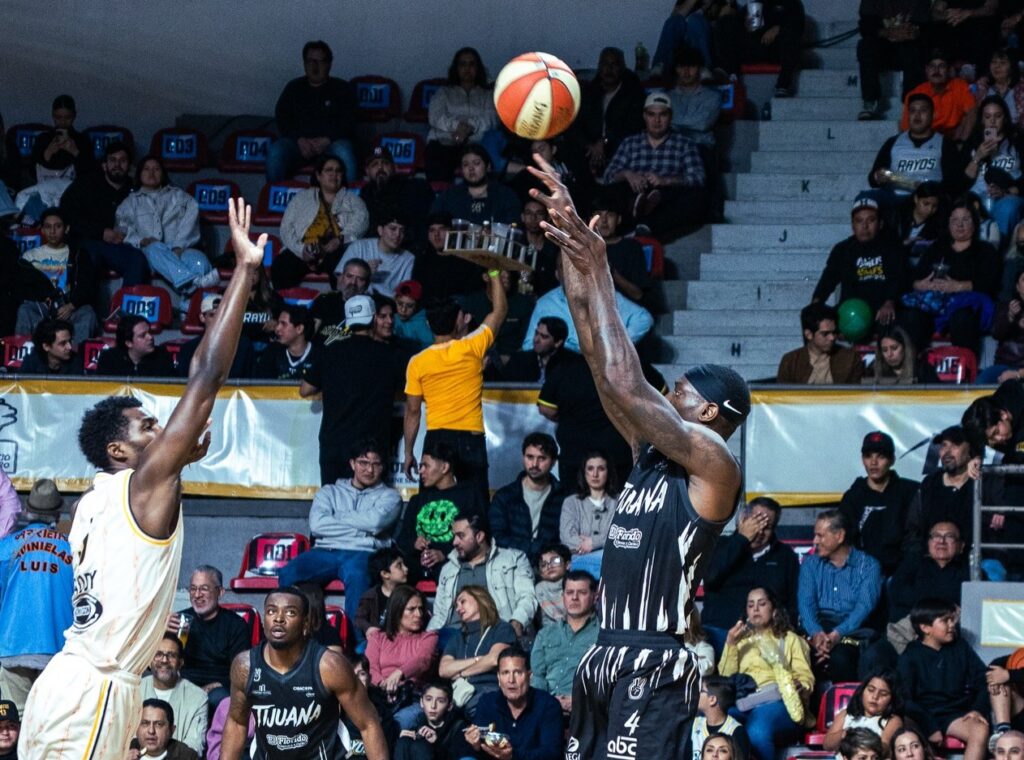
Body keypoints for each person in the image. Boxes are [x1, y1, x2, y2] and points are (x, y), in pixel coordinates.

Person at [18, 199, 265, 760]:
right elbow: (205, 374)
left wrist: (176, 464)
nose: (160, 429)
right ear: (117, 449)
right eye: (146, 424)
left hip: (69, 678)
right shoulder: (137, 486)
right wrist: (245, 270)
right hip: (97, 686)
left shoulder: (90, 502)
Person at [529, 155, 750, 759]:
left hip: (655, 660)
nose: (668, 390)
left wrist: (601, 268)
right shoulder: (649, 449)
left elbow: (628, 383)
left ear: (710, 413)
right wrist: (572, 248)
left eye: (681, 390)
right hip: (605, 651)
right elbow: (601, 360)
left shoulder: (714, 465)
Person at [220, 588, 388, 760]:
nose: (278, 618)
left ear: (306, 623)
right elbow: (237, 723)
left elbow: (369, 724)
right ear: (264, 619)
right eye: (271, 611)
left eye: (290, 612)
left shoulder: (330, 666)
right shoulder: (245, 666)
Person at [278, 438, 402, 638]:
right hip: (325, 551)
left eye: (376, 464)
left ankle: (359, 651)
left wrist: (336, 519)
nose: (369, 470)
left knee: (358, 577)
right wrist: (362, 529)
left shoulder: (390, 497)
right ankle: (291, 636)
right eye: (363, 463)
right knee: (288, 573)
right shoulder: (329, 492)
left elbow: (376, 523)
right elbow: (317, 525)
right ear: (352, 463)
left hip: (364, 552)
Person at [403, 273, 508, 499]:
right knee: (475, 505)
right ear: (457, 322)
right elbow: (499, 311)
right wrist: (494, 273)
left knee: (432, 504)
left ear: (428, 323)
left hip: (437, 438)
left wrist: (408, 451)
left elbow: (413, 412)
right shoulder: (471, 347)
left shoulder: (418, 362)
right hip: (470, 437)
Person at [301, 294, 405, 484]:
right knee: (368, 509)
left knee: (334, 503)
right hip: (371, 450)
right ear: (374, 319)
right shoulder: (390, 356)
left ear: (348, 322)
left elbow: (305, 390)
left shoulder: (329, 352)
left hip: (334, 443)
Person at [0, 479, 73, 713]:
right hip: (58, 651)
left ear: (27, 510)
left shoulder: (6, 546)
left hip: (12, 646)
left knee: (15, 723)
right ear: (58, 515)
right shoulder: (73, 549)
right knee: (50, 721)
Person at [718, 587, 814, 760]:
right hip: (744, 701)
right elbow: (725, 680)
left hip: (779, 701)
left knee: (757, 730)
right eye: (750, 605)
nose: (755, 609)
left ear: (774, 609)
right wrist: (730, 643)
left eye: (761, 604)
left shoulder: (791, 639)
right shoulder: (740, 642)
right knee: (721, 724)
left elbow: (806, 678)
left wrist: (800, 685)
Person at [901, 197, 1002, 355]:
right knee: (912, 316)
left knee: (962, 318)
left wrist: (959, 286)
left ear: (974, 223)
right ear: (948, 224)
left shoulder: (985, 250)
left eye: (965, 219)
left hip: (966, 307)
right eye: (954, 220)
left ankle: (964, 370)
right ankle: (913, 366)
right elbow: (914, 278)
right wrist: (921, 284)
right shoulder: (937, 248)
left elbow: (990, 282)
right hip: (935, 303)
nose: (959, 225)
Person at [702, 497, 801, 655]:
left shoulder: (785, 556)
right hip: (721, 630)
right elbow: (710, 577)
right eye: (756, 523)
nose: (760, 531)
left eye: (766, 527)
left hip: (767, 636)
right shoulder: (720, 545)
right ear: (743, 520)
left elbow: (792, 603)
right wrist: (741, 540)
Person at [603, 91, 707, 234]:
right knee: (612, 192)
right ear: (644, 116)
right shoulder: (630, 143)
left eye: (662, 115)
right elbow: (608, 176)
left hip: (668, 195)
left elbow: (698, 178)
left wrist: (666, 180)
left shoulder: (685, 144)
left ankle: (647, 224)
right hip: (633, 191)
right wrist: (627, 174)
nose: (657, 120)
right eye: (651, 114)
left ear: (670, 117)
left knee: (694, 199)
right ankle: (639, 207)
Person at [898, 598, 990, 760]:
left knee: (980, 729)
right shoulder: (910, 656)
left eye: (952, 620)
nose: (952, 625)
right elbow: (905, 699)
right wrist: (930, 726)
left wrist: (977, 709)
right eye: (945, 621)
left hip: (955, 714)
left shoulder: (960, 647)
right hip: (922, 715)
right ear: (925, 628)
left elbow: (983, 679)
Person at [115, 155, 217, 298]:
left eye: (156, 169)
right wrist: (141, 240)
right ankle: (193, 282)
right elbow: (122, 231)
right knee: (154, 247)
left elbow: (191, 217)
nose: (151, 173)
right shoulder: (130, 203)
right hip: (149, 254)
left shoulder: (179, 196)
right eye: (147, 169)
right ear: (139, 173)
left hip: (179, 250)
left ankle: (188, 307)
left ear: (163, 173)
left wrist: (178, 246)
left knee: (200, 261)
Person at [799, 510, 883, 682]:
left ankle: (848, 708)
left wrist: (836, 635)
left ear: (840, 536)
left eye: (820, 536)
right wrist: (817, 634)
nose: (815, 541)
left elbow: (864, 607)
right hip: (818, 627)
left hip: (853, 630)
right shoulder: (810, 564)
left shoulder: (868, 566)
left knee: (841, 658)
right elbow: (806, 604)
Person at [428, 512, 538, 638]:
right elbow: (439, 615)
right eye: (454, 536)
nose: (454, 542)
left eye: (461, 536)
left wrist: (516, 622)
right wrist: (426, 639)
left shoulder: (514, 559)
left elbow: (527, 597)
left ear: (479, 536)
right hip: (453, 636)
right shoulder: (448, 569)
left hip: (494, 634)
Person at [59, 140, 149, 286]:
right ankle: (84, 307)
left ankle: (126, 307)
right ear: (104, 164)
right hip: (88, 241)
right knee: (89, 257)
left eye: (122, 160)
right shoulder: (85, 184)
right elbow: (66, 215)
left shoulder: (136, 188)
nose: (117, 165)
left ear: (130, 166)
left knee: (137, 259)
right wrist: (100, 232)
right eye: (112, 160)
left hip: (121, 245)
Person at [520, 257, 654, 355]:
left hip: (595, 369)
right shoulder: (545, 303)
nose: (569, 271)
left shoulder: (603, 295)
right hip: (557, 368)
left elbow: (643, 318)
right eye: (563, 266)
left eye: (573, 266)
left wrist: (616, 347)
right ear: (557, 274)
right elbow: (528, 346)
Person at [397, 441, 488, 583]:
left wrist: (445, 554)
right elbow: (402, 539)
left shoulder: (469, 495)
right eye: (420, 466)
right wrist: (414, 543)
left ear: (444, 467)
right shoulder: (417, 500)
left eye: (426, 466)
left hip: (455, 562)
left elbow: (478, 538)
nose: (421, 471)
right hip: (416, 565)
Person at [268, 40, 358, 183]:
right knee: (276, 151)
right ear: (304, 64)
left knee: (344, 151)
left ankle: (352, 202)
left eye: (320, 61)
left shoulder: (342, 88)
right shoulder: (293, 87)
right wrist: (299, 139)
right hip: (298, 145)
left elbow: (350, 120)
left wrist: (328, 139)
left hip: (332, 144)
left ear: (329, 64)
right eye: (310, 61)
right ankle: (273, 200)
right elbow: (282, 118)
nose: (315, 66)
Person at [275, 154, 369, 289]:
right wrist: (301, 250)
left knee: (343, 264)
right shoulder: (301, 198)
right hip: (305, 249)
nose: (334, 174)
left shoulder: (353, 200)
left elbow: (362, 223)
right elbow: (286, 229)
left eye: (338, 171)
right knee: (282, 264)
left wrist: (340, 239)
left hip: (336, 249)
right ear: (318, 176)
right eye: (328, 170)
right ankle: (284, 308)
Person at [167, 565, 251, 710]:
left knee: (220, 700)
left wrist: (210, 688)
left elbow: (241, 672)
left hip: (218, 687)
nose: (197, 595)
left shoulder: (235, 625)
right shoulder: (178, 620)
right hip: (182, 683)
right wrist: (160, 633)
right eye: (193, 589)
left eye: (204, 589)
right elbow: (158, 664)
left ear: (220, 592)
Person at [811, 197, 902, 328]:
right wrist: (815, 305)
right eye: (859, 221)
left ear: (880, 224)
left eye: (871, 220)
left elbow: (897, 279)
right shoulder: (843, 249)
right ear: (853, 225)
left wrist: (890, 302)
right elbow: (827, 280)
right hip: (850, 313)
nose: (864, 226)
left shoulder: (892, 248)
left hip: (881, 312)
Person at [839, 431, 920, 575]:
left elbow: (915, 538)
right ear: (862, 459)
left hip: (903, 573)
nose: (873, 462)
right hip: (862, 574)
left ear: (892, 460)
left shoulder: (910, 492)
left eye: (881, 456)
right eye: (868, 456)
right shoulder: (853, 497)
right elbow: (845, 541)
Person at [15, 206, 98, 343]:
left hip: (68, 306)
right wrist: (44, 300)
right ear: (42, 229)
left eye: (57, 226)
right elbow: (22, 288)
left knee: (88, 313)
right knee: (25, 310)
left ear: (66, 229)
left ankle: (76, 360)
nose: (52, 231)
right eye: (47, 227)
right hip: (42, 306)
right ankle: (22, 360)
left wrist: (72, 305)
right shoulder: (29, 256)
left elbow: (88, 284)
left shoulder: (78, 255)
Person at [466, 646, 564, 760]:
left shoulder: (548, 705)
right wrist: (475, 745)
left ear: (529, 676)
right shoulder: (487, 703)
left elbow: (551, 754)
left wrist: (512, 756)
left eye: (517, 672)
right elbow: (481, 749)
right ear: (498, 677)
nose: (511, 680)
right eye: (505, 673)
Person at [438, 585, 517, 716]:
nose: (458, 608)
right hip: (460, 693)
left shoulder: (501, 628)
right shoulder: (458, 636)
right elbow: (444, 670)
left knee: (481, 706)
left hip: (489, 689)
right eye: (456, 605)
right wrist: (477, 660)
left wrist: (462, 673)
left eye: (462, 601)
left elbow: (494, 659)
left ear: (480, 600)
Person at [870, 94, 962, 204]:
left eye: (923, 111)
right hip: (897, 199)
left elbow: (954, 182)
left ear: (933, 115)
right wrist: (878, 176)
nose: (917, 115)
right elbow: (872, 179)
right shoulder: (893, 142)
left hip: (930, 200)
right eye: (913, 111)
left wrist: (930, 189)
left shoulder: (945, 143)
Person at [488, 433, 566, 564]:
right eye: (530, 457)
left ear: (553, 462)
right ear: (523, 457)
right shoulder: (505, 496)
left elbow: (565, 538)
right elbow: (498, 537)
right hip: (511, 561)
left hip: (551, 563)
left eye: (542, 458)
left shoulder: (563, 497)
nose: (535, 464)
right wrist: (533, 549)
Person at [529, 570, 598, 715]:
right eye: (569, 592)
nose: (574, 598)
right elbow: (538, 676)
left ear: (594, 596)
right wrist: (548, 702)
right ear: (563, 596)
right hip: (546, 709)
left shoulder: (603, 636)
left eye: (582, 592)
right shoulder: (545, 634)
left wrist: (580, 701)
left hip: (589, 710)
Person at [425, 47, 498, 182]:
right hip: (444, 142)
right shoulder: (444, 92)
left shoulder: (487, 95)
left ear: (478, 68)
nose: (467, 68)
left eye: (472, 64)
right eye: (463, 64)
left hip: (477, 144)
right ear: (456, 68)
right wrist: (458, 126)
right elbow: (435, 117)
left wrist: (469, 127)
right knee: (436, 161)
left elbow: (491, 118)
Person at [572, 47, 645, 178]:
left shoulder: (633, 94)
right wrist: (590, 146)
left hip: (619, 149)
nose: (609, 69)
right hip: (589, 150)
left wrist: (605, 142)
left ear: (622, 68)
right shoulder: (589, 93)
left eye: (614, 64)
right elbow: (575, 126)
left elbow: (633, 127)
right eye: (605, 64)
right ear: (599, 67)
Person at [365, 585, 438, 707]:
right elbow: (370, 666)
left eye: (420, 609)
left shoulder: (429, 637)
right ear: (397, 610)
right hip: (379, 693)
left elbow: (422, 660)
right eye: (411, 609)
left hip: (412, 697)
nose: (418, 614)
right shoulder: (378, 637)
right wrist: (383, 684)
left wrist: (398, 673)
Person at [963, 95, 1024, 238]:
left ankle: (997, 252)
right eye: (987, 116)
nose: (992, 121)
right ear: (982, 120)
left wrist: (1006, 192)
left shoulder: (1017, 141)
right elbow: (961, 182)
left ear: (1005, 118)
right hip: (977, 198)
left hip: (1007, 198)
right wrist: (978, 156)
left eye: (998, 116)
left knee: (1008, 207)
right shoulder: (972, 143)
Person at [856, 0, 929, 120]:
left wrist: (912, 32)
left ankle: (911, 101)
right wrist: (888, 32)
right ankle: (870, 100)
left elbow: (924, 25)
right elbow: (865, 26)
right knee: (866, 46)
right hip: (883, 48)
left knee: (915, 48)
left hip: (909, 46)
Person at [906, 426, 977, 546]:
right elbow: (913, 528)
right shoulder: (929, 484)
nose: (947, 452)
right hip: (930, 559)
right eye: (944, 445)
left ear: (970, 450)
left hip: (972, 560)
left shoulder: (981, 483)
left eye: (955, 446)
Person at [889, 520, 970, 624]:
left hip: (951, 629)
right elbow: (897, 593)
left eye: (949, 536)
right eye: (936, 536)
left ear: (961, 546)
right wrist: (946, 604)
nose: (941, 541)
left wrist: (925, 598)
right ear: (928, 542)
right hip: (912, 628)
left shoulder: (970, 572)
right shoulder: (912, 563)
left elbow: (971, 603)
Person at [140, 634, 208, 756]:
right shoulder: (135, 689)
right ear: (149, 660)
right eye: (158, 654)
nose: (164, 660)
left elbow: (194, 747)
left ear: (180, 662)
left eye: (171, 655)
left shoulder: (198, 698)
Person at [558, 452, 619, 579]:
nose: (595, 474)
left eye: (601, 469)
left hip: (612, 562)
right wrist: (605, 540)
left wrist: (593, 542)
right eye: (590, 469)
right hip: (580, 564)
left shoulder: (621, 501)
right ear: (584, 473)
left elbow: (622, 534)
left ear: (608, 472)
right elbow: (567, 537)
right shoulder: (571, 502)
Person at [360, 146, 435, 247]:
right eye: (374, 164)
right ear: (367, 171)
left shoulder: (413, 188)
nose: (380, 168)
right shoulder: (365, 193)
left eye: (385, 163)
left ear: (394, 167)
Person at [776, 302, 865, 384]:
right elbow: (782, 398)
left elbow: (853, 397)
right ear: (809, 334)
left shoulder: (850, 359)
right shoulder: (791, 361)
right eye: (825, 334)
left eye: (834, 332)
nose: (832, 338)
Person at [430, 145, 521, 225]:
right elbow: (435, 223)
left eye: (476, 163)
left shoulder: (505, 195)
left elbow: (513, 226)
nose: (471, 168)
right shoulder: (449, 197)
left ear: (488, 166)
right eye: (466, 165)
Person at [592, 189, 654, 304]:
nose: (604, 220)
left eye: (610, 215)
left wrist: (613, 274)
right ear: (590, 220)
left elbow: (639, 295)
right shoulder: (584, 248)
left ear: (618, 219)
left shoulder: (632, 248)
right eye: (599, 215)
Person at [899, 50, 978, 141]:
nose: (936, 70)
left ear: (948, 70)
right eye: (932, 66)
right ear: (926, 70)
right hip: (927, 139)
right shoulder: (915, 94)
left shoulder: (960, 86)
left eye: (941, 66)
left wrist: (963, 142)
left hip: (955, 139)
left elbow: (972, 112)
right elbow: (906, 129)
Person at [458, 269, 535, 360]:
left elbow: (529, 341)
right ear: (486, 277)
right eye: (499, 271)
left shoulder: (524, 304)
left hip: (511, 361)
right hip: (476, 358)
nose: (506, 275)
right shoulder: (472, 302)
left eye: (507, 271)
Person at [338, 209, 416, 297]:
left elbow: (404, 296)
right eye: (393, 229)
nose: (398, 234)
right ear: (380, 230)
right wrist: (363, 272)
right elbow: (340, 283)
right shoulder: (358, 247)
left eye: (402, 231)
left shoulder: (408, 259)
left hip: (388, 305)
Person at [175, 293, 254, 379]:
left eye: (222, 314)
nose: (218, 319)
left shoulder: (244, 347)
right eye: (212, 315)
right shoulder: (188, 350)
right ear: (202, 317)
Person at [823, 671, 904, 751]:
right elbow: (827, 745)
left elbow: (883, 748)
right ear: (862, 691)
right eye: (871, 690)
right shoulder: (846, 714)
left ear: (892, 699)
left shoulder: (893, 720)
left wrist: (860, 738)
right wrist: (844, 734)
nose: (875, 696)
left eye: (883, 694)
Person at [411, 213, 485, 300]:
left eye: (442, 229)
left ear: (451, 232)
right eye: (432, 230)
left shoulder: (465, 261)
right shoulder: (422, 261)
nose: (436, 234)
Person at [393, 681, 471, 760]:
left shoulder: (458, 728)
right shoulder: (417, 725)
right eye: (428, 699)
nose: (433, 706)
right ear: (421, 702)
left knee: (421, 746)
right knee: (403, 742)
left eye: (440, 701)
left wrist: (436, 743)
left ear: (449, 706)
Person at [668, 45, 722, 148]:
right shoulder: (668, 97)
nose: (686, 71)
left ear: (699, 68)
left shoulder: (712, 96)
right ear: (676, 69)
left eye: (691, 66)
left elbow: (703, 124)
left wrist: (670, 121)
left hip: (701, 148)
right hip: (673, 148)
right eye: (681, 67)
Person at [685, 677, 751, 760]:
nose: (696, 694)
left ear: (712, 699)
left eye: (701, 691)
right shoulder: (695, 724)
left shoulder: (736, 731)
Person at [31, 94, 92, 182]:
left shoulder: (82, 140)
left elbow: (91, 172)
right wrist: (48, 153)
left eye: (67, 117)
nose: (63, 122)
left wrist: (75, 152)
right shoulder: (43, 140)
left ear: (74, 116)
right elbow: (31, 172)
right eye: (58, 117)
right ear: (53, 115)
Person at [95, 314, 175, 377]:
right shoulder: (109, 359)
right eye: (143, 335)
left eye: (150, 332)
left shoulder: (163, 357)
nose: (150, 337)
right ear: (128, 343)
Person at [310, 257, 371, 340]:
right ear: (341, 278)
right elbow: (310, 334)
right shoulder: (325, 300)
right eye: (349, 276)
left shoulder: (371, 307)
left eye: (360, 279)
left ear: (367, 284)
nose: (353, 282)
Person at [492, 316, 567, 383]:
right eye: (536, 333)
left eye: (544, 336)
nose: (536, 340)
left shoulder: (569, 365)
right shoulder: (518, 361)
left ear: (557, 342)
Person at [982, 267, 1024, 383]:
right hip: (1004, 365)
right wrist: (1010, 316)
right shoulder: (1006, 307)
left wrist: (1017, 374)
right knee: (982, 382)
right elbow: (997, 334)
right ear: (1017, 287)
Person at [356, 547, 409, 640]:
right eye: (399, 566)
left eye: (404, 564)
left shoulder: (409, 595)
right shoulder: (370, 596)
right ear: (385, 574)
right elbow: (359, 619)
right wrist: (368, 628)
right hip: (378, 641)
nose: (406, 568)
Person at [253, 304, 316, 380]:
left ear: (299, 328)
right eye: (278, 324)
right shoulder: (272, 351)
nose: (277, 329)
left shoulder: (318, 356)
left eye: (283, 324)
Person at [866, 325, 940, 384]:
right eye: (884, 350)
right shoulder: (872, 372)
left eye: (894, 348)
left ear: (905, 347)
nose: (889, 354)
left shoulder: (923, 371)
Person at [130, 698, 199, 760]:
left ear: (171, 730)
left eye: (159, 724)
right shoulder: (123, 750)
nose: (151, 731)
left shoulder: (188, 756)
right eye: (145, 723)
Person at [975, 49, 1024, 131]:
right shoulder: (983, 88)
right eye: (994, 62)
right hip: (988, 135)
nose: (997, 66)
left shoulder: (1020, 90)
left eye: (1002, 63)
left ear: (1011, 67)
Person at [19, 318, 84, 375]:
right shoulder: (31, 363)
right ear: (46, 346)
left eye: (70, 341)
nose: (69, 347)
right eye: (63, 343)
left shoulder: (75, 362)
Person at [533, 544, 571, 628]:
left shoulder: (574, 584)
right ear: (540, 573)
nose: (549, 566)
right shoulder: (539, 589)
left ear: (567, 565)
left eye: (555, 561)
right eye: (543, 565)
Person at [394, 280, 435, 351]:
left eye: (409, 306)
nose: (403, 310)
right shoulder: (392, 317)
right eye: (400, 304)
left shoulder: (423, 324)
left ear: (417, 306)